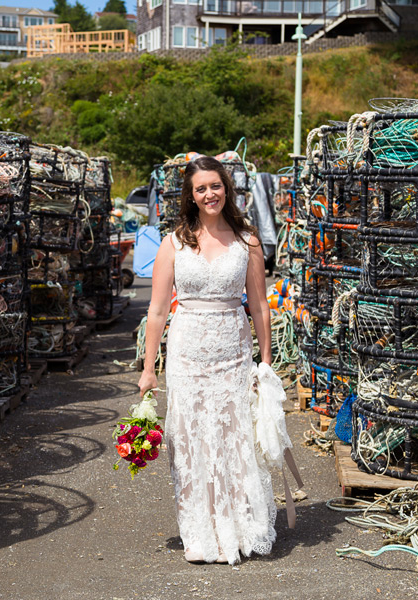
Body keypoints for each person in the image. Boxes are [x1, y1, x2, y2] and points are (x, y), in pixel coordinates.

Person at [138, 155, 276, 565]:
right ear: (191, 196)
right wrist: (148, 369)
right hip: (187, 351)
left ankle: (239, 527)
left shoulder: (247, 240)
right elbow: (158, 311)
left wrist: (264, 362)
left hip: (233, 350)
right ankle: (199, 531)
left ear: (226, 189)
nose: (209, 194)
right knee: (192, 438)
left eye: (215, 186)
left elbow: (261, 305)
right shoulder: (174, 242)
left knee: (234, 437)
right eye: (201, 189)